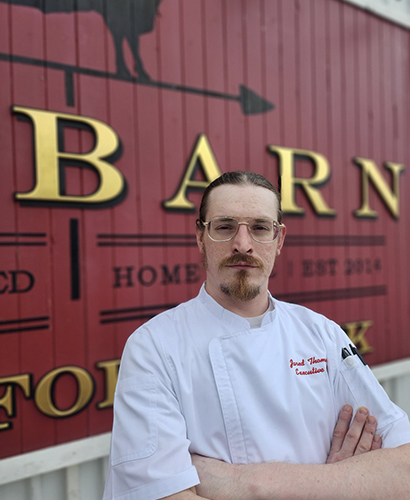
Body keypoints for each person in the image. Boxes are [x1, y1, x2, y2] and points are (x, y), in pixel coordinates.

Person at [103, 171, 410, 500]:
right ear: (200, 237)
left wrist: (244, 484)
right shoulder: (154, 347)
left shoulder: (322, 333)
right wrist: (345, 483)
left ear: (278, 240)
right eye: (224, 227)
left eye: (260, 228)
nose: (243, 244)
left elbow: (404, 466)